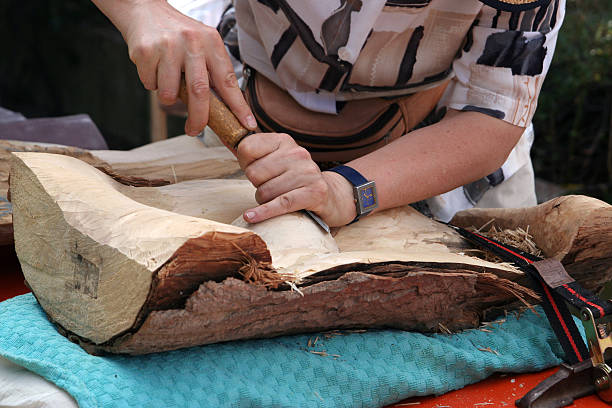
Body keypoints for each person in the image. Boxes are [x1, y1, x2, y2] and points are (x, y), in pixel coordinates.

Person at [92, 0, 564, 227]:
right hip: (251, 127)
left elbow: (491, 110)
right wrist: (143, 10)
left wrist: (344, 189)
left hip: (446, 152)